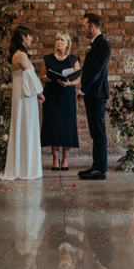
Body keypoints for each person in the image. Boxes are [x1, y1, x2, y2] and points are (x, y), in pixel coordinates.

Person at [2, 26, 45, 180]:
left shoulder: (18, 54)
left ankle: (23, 165)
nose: (31, 39)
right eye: (30, 36)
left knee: (24, 128)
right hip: (25, 99)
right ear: (22, 37)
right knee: (26, 128)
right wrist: (41, 94)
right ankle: (26, 168)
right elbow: (31, 78)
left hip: (24, 97)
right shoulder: (21, 55)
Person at [77, 13, 111, 180]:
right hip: (93, 94)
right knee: (95, 132)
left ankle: (100, 169)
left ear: (92, 26)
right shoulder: (95, 44)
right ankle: (96, 166)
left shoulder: (102, 45)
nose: (82, 29)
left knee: (98, 132)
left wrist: (83, 90)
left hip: (97, 94)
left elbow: (96, 71)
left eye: (84, 25)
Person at [40, 30, 81, 171]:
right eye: (57, 39)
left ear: (67, 44)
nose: (59, 42)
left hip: (67, 95)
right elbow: (42, 75)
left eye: (62, 40)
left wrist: (69, 83)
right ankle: (55, 159)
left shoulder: (73, 60)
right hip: (51, 95)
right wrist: (44, 78)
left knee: (66, 127)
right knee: (53, 127)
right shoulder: (48, 59)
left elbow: (78, 78)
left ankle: (66, 159)